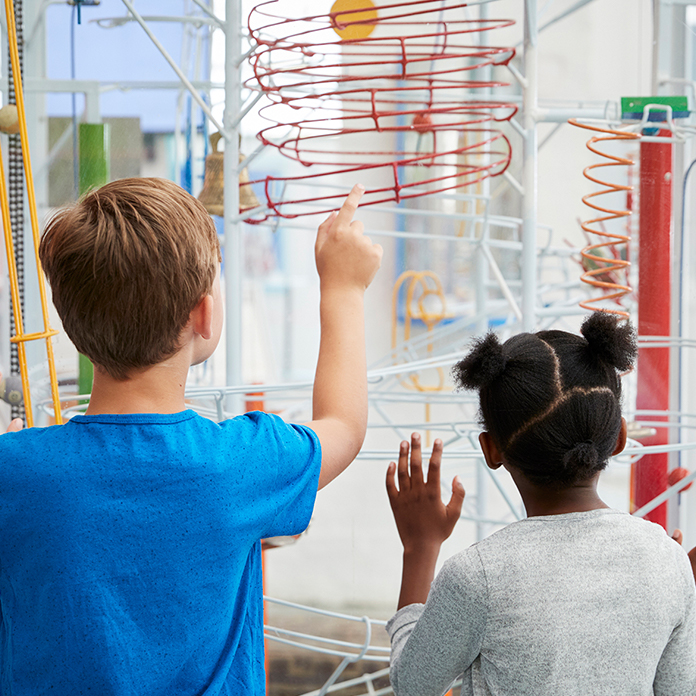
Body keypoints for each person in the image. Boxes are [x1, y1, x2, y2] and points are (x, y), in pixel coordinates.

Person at [0, 178, 382, 695]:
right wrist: (343, 287)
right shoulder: (238, 464)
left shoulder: (17, 471)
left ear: (70, 323)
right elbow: (343, 425)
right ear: (203, 313)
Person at [385, 313, 696, 696]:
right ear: (619, 438)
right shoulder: (669, 560)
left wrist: (420, 548)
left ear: (492, 449)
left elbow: (412, 686)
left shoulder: (479, 576)